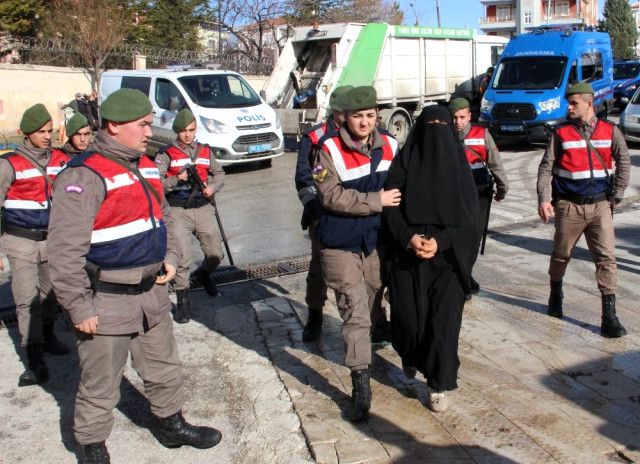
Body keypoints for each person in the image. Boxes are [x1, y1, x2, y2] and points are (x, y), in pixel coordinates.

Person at [48, 89, 222, 464]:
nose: (149, 132)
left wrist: (172, 257)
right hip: (106, 298)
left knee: (164, 368)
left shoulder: (144, 165)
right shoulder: (84, 175)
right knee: (100, 384)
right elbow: (63, 253)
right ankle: (93, 447)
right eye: (143, 125)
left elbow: (164, 216)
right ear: (114, 126)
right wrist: (79, 308)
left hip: (151, 292)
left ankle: (171, 425)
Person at [311, 85, 401, 421]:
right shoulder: (327, 150)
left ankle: (369, 349)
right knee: (355, 311)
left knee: (374, 303)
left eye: (370, 115)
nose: (365, 122)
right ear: (343, 117)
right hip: (339, 244)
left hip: (375, 243)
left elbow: (402, 184)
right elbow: (331, 196)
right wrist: (376, 201)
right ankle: (360, 381)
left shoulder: (390, 144)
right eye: (357, 116)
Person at [383, 104, 479, 413]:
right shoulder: (405, 163)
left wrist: (440, 242)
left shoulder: (459, 168)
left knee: (443, 325)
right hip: (408, 258)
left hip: (447, 260)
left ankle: (438, 383)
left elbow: (470, 220)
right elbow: (390, 207)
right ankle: (410, 356)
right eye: (429, 125)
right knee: (409, 324)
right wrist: (409, 237)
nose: (435, 132)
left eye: (442, 124)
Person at [537, 82, 630, 338]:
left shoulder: (610, 130)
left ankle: (609, 316)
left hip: (600, 205)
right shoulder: (561, 133)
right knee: (561, 255)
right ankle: (556, 292)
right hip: (568, 206)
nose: (569, 107)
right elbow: (546, 168)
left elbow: (624, 160)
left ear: (589, 104)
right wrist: (544, 199)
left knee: (606, 258)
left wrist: (618, 193)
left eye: (573, 103)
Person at [0, 103, 71, 387]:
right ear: (26, 133)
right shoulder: (9, 164)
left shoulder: (61, 159)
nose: (47, 136)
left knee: (52, 294)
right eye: (41, 131)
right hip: (21, 241)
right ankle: (35, 357)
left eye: (50, 131)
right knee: (26, 300)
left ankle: (48, 333)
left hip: (52, 239)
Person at [155, 108, 226, 323]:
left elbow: (219, 173)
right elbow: (156, 184)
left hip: (202, 206)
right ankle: (183, 300)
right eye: (184, 130)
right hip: (177, 209)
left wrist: (212, 188)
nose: (187, 134)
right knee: (183, 258)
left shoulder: (205, 150)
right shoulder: (165, 153)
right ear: (177, 131)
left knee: (216, 253)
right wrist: (177, 179)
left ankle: (204, 274)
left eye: (191, 130)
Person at [295, 85, 351, 342]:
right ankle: (315, 313)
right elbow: (307, 177)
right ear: (336, 112)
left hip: (356, 212)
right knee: (320, 267)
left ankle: (372, 318)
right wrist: (315, 208)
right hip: (324, 214)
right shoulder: (315, 138)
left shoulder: (361, 134)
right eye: (347, 112)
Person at [449, 97, 508, 297]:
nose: (458, 122)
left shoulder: (482, 134)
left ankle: (466, 273)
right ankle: (460, 277)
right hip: (454, 196)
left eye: (462, 117)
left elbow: (495, 163)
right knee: (457, 238)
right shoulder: (445, 134)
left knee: (475, 237)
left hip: (479, 193)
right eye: (454, 117)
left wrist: (502, 187)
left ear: (469, 116)